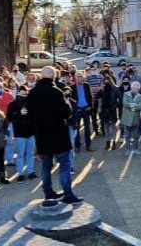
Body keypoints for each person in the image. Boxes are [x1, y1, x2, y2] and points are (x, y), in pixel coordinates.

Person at [27, 66, 82, 203]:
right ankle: (68, 194)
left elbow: (30, 115)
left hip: (42, 136)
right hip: (58, 135)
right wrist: (67, 102)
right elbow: (66, 112)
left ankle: (48, 193)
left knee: (46, 165)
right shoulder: (56, 92)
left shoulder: (33, 93)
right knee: (64, 163)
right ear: (52, 76)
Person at [7, 85, 36, 181]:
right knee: (20, 154)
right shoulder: (12, 104)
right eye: (22, 93)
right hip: (19, 133)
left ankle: (31, 172)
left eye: (25, 93)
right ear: (18, 92)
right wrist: (19, 113)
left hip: (30, 132)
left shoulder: (31, 103)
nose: (24, 95)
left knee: (30, 153)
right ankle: (20, 173)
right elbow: (10, 117)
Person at [70, 72, 94, 152]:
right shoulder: (72, 87)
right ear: (75, 78)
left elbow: (90, 97)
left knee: (87, 129)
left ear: (83, 77)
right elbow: (71, 100)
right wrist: (75, 108)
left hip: (86, 109)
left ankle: (88, 146)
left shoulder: (86, 85)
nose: (79, 78)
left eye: (80, 76)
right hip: (78, 110)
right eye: (78, 76)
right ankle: (77, 146)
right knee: (77, 129)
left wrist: (90, 106)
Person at [121, 81, 141, 155]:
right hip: (127, 118)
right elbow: (124, 103)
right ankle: (127, 149)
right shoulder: (125, 94)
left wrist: (132, 106)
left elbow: (140, 107)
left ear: (138, 89)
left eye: (137, 88)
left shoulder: (140, 96)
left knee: (136, 135)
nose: (135, 89)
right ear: (131, 87)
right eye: (134, 87)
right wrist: (133, 105)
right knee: (127, 135)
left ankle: (135, 148)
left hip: (136, 119)